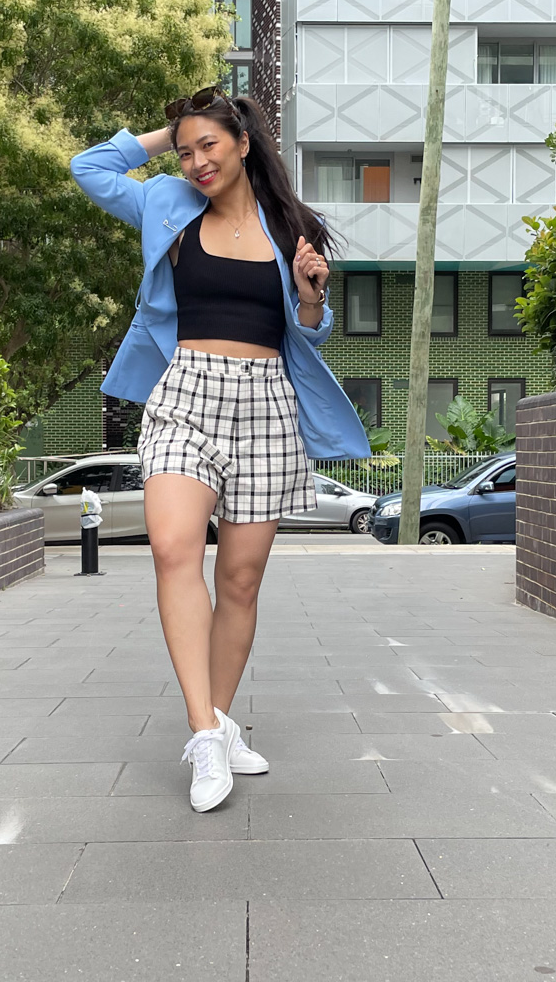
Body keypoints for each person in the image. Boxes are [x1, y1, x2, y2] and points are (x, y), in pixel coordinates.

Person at [70, 90, 371, 811]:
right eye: (186, 150)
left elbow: (309, 330)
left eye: (210, 145)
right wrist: (163, 134)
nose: (197, 161)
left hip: (267, 401)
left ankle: (223, 719)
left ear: (243, 142)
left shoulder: (290, 228)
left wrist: (310, 299)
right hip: (187, 395)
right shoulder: (167, 206)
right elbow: (90, 168)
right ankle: (204, 736)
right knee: (174, 549)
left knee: (239, 582)